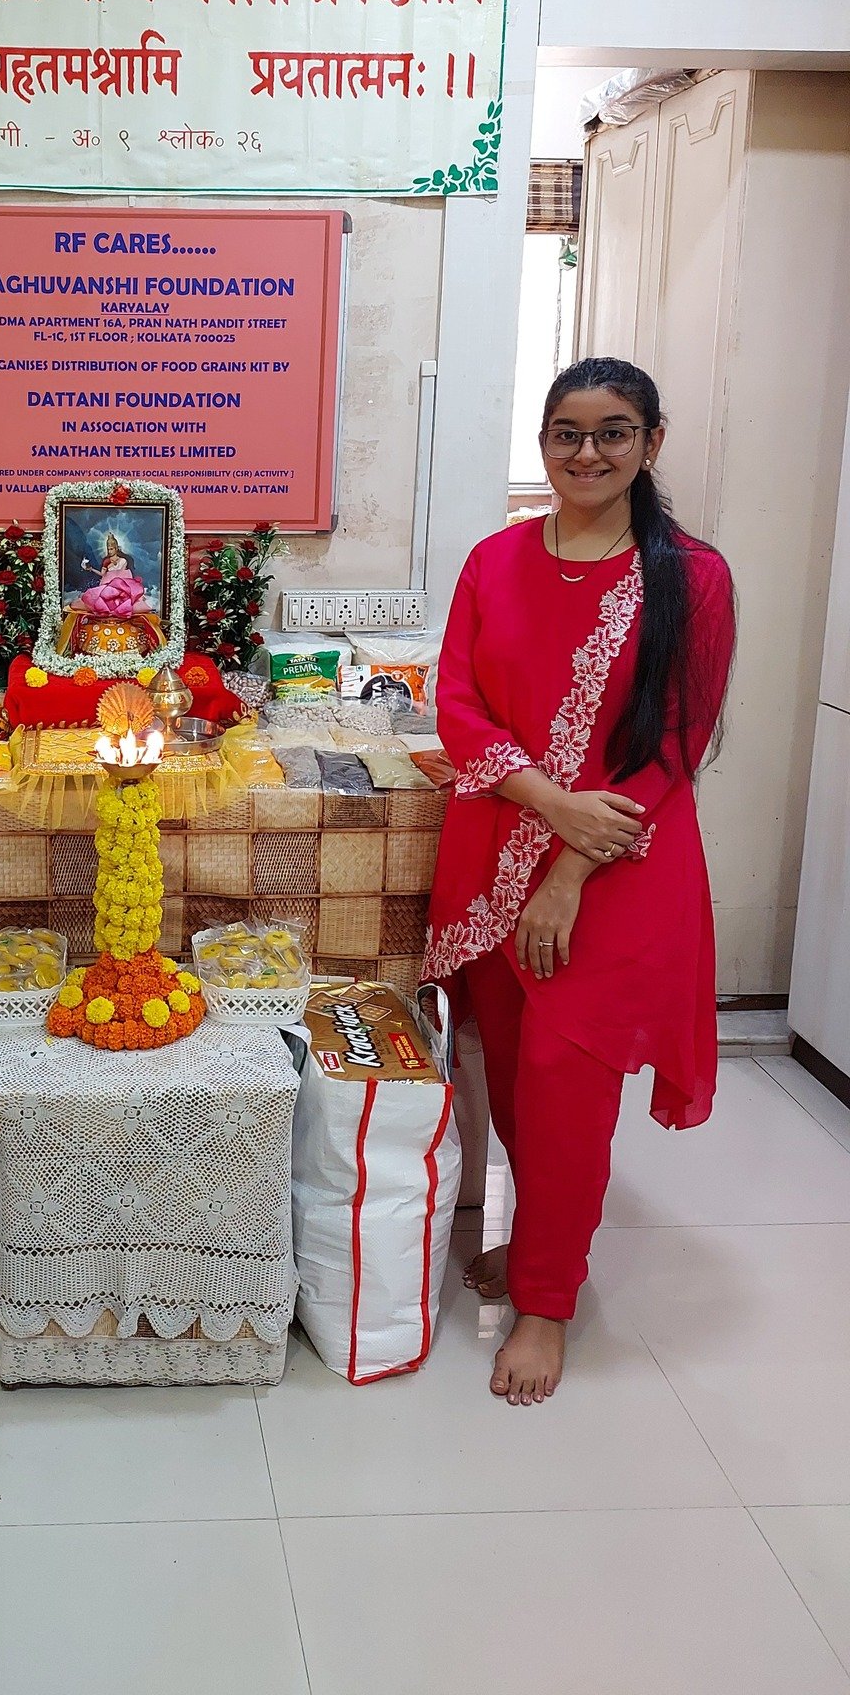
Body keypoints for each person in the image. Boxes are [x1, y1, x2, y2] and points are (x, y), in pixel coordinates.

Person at [424, 357, 735, 1406]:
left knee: (567, 1081)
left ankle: (547, 1300)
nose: (588, 452)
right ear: (545, 442)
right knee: (514, 1070)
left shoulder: (691, 576)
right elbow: (457, 703)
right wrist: (549, 803)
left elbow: (676, 741)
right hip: (498, 845)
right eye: (568, 432)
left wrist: (568, 863)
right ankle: (539, 1243)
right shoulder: (496, 559)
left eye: (614, 431)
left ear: (651, 442)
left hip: (620, 865)